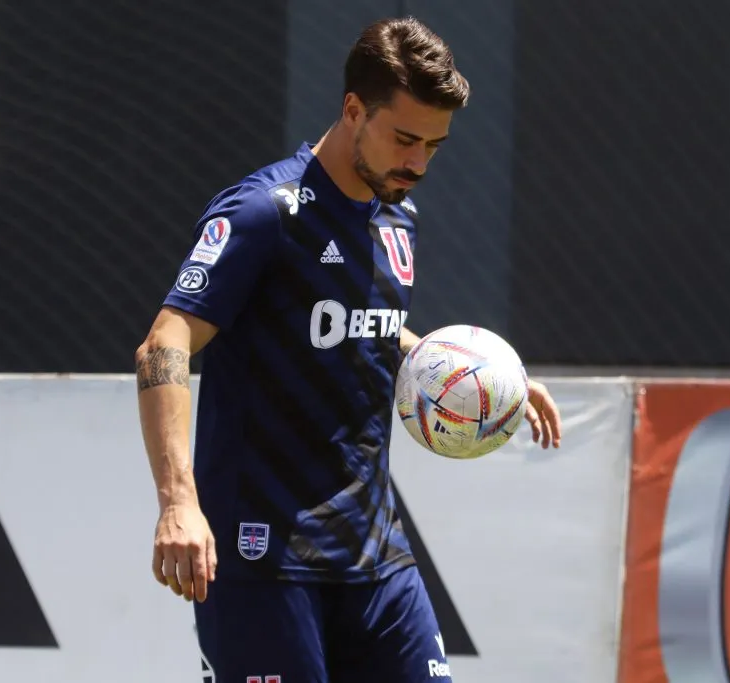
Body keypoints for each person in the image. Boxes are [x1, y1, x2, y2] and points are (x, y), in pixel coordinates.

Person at [134, 15, 562, 682]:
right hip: (263, 562)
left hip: (376, 558)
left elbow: (369, 325)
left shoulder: (398, 219)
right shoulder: (264, 213)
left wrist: (481, 376)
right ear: (353, 109)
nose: (418, 162)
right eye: (406, 139)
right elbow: (164, 344)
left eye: (434, 146)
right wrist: (177, 502)